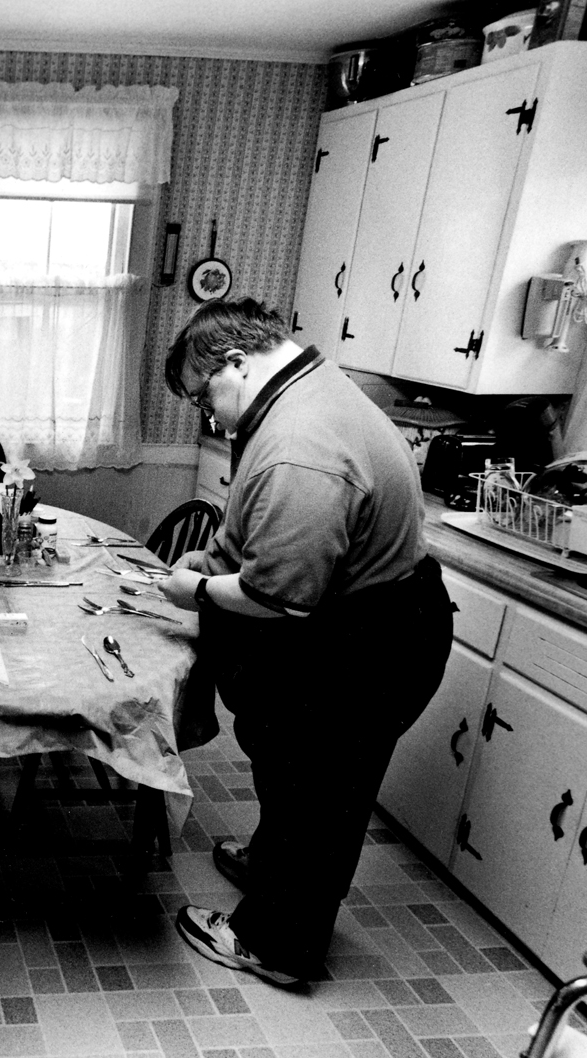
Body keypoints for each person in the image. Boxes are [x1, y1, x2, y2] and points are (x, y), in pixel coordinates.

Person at [157, 298, 453, 986]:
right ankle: (270, 867)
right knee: (291, 774)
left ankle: (276, 944)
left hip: (362, 643)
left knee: (318, 797)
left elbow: (277, 598)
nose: (208, 416)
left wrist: (194, 591)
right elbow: (265, 531)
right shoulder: (302, 389)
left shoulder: (301, 446)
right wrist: (220, 557)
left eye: (204, 397)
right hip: (355, 619)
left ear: (235, 363)